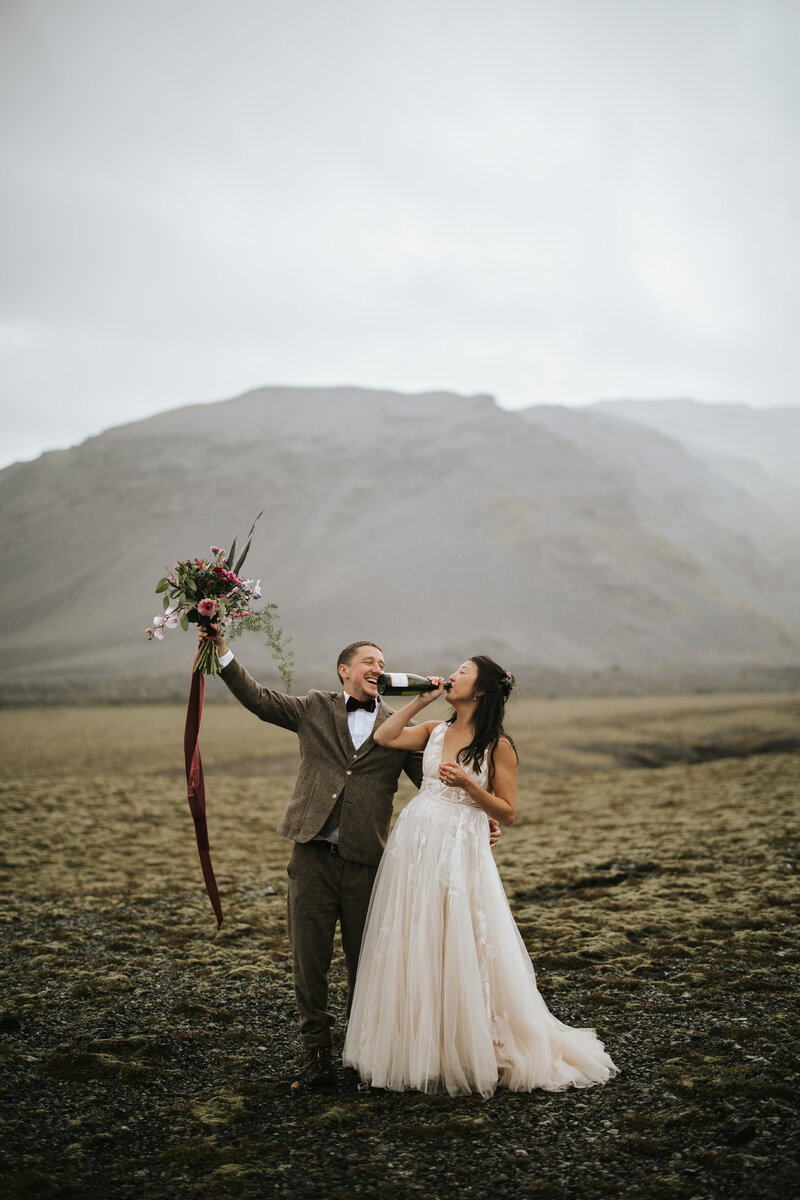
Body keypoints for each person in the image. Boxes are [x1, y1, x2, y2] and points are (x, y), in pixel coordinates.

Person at [199, 628, 501, 1087]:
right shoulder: (312, 708)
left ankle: (361, 1054)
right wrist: (219, 648)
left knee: (370, 963)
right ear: (344, 670)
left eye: (382, 662)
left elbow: (436, 784)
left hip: (368, 862)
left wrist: (481, 816)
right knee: (309, 959)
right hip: (311, 854)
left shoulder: (397, 727)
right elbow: (257, 697)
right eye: (368, 661)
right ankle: (316, 1052)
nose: (378, 667)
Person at [343, 655, 619, 1096]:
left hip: (460, 847)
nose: (452, 675)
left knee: (461, 937)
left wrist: (470, 787)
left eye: (463, 673)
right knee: (419, 935)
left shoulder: (498, 745)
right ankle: (421, 1046)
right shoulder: (435, 729)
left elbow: (507, 812)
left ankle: (470, 1043)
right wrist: (420, 700)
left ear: (482, 690)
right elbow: (384, 736)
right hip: (416, 842)